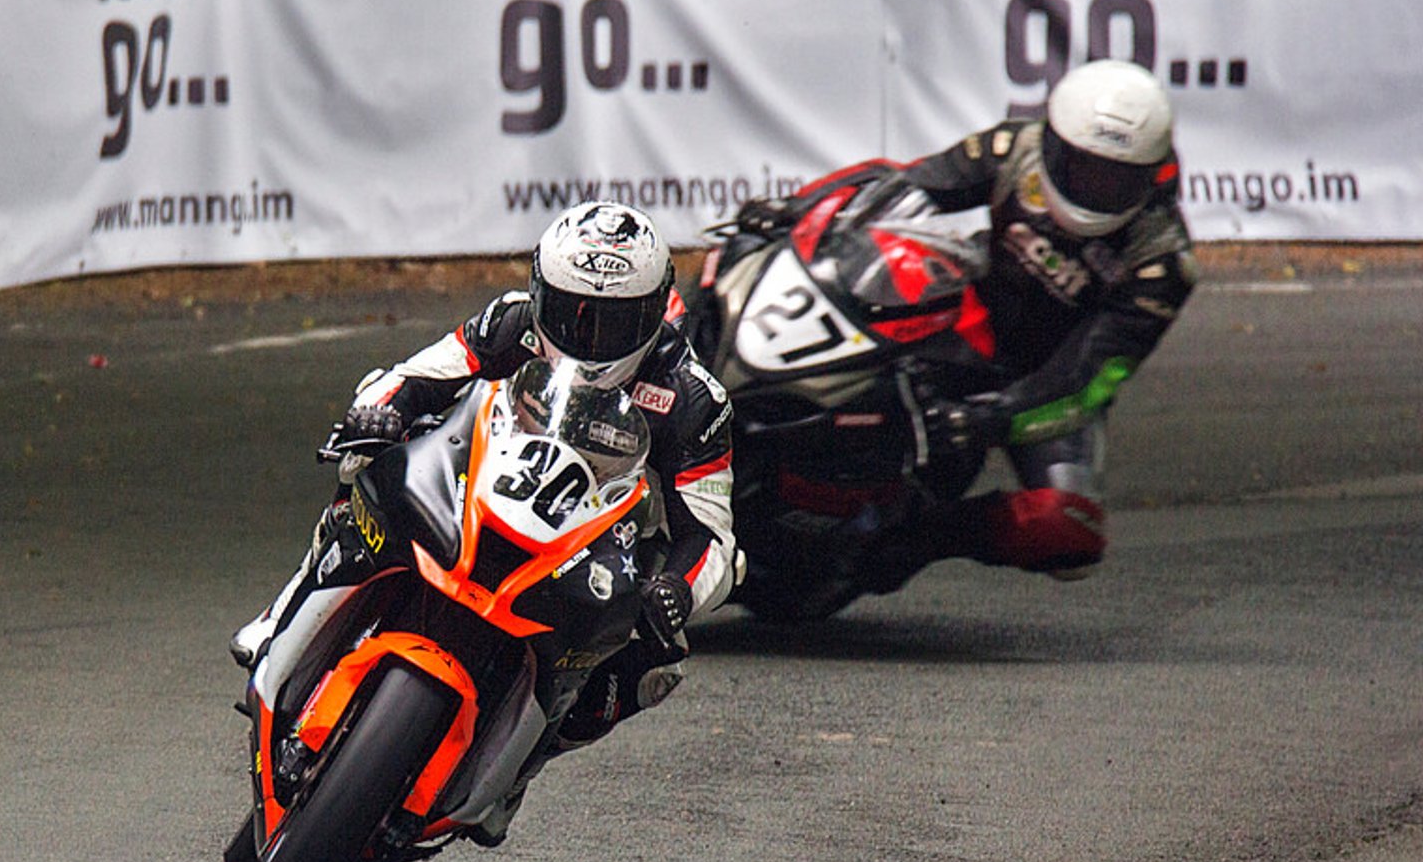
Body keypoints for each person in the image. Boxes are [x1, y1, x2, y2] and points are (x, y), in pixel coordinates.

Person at [230, 201, 737, 766]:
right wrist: (375, 415)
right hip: (482, 476)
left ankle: (524, 760)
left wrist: (675, 588)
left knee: (657, 661)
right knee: (365, 464)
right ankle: (286, 613)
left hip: (595, 538)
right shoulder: (511, 322)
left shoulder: (693, 398)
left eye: (611, 322)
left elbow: (711, 536)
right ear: (541, 292)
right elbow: (415, 377)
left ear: (651, 314)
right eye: (571, 314)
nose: (587, 337)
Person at [858, 57, 1196, 592]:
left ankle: (929, 535)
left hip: (1046, 386)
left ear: (1150, 175)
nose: (1094, 187)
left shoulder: (1159, 263)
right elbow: (909, 186)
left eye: (1116, 177)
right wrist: (806, 211)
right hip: (961, 329)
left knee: (1068, 532)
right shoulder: (1015, 149)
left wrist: (993, 418)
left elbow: (1090, 380)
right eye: (1084, 167)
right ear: (1055, 146)